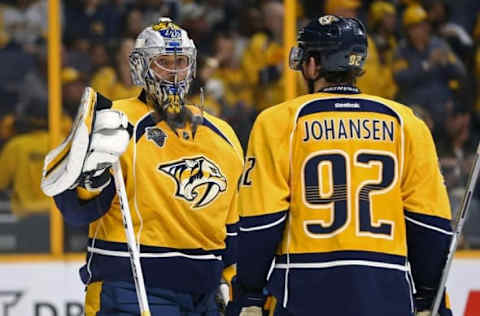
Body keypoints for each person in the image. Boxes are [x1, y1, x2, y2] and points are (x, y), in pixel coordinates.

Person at [228, 15, 453, 316]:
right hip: (386, 294)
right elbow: (429, 223)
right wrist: (429, 298)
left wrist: (250, 295)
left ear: (312, 65)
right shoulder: (406, 122)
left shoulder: (279, 121)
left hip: (305, 294)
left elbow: (262, 221)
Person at [42, 17, 243, 315]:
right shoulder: (113, 119)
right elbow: (74, 210)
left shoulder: (223, 134)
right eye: (164, 62)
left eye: (181, 62)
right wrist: (90, 180)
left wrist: (230, 280)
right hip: (130, 287)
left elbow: (231, 226)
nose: (174, 73)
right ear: (141, 66)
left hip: (205, 293)